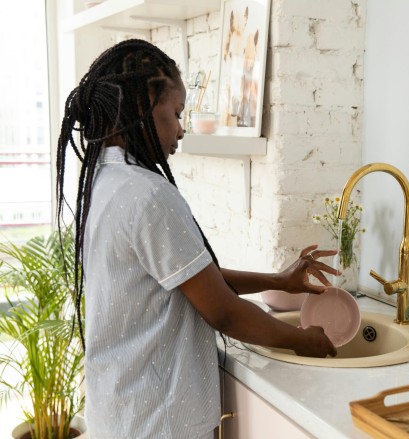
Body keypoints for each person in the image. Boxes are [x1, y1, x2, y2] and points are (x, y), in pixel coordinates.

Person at [55, 39, 338, 439]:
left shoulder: (105, 181)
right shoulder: (148, 194)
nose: (181, 129)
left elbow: (190, 277)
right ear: (143, 107)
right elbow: (223, 311)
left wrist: (277, 281)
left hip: (121, 412)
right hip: (157, 421)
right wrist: (302, 340)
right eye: (176, 113)